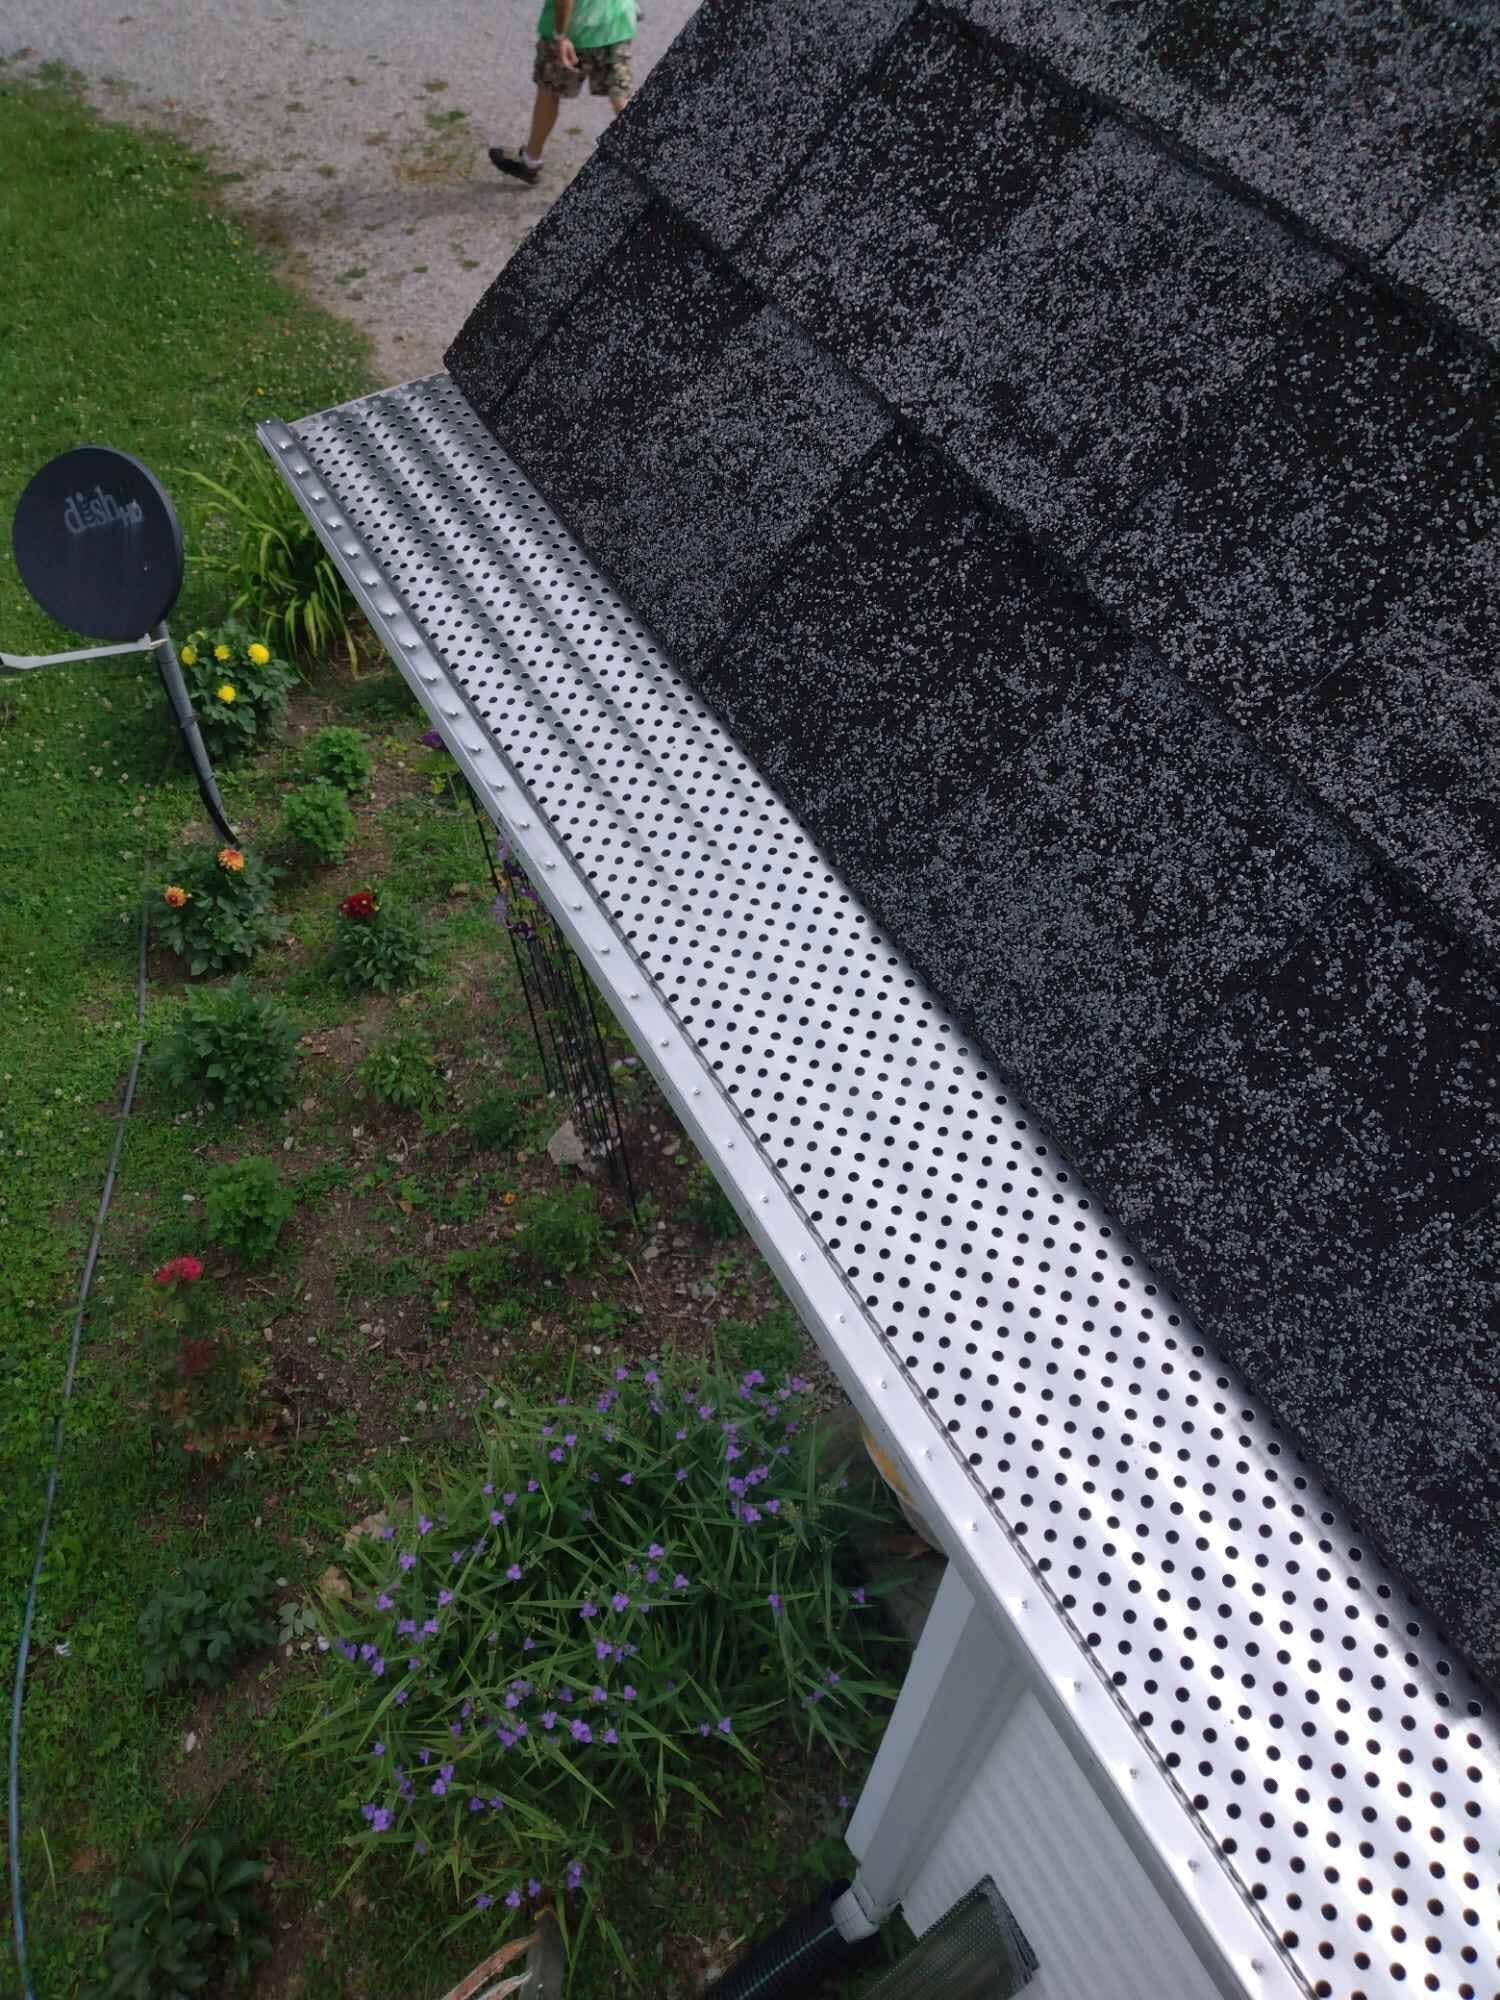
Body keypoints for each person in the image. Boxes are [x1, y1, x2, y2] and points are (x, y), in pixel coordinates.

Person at [489, 0, 638, 185]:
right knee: (620, 95)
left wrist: (560, 36)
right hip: (616, 22)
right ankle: (647, 158)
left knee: (549, 91)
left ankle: (530, 161)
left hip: (574, 28)